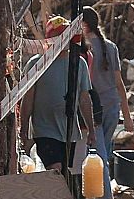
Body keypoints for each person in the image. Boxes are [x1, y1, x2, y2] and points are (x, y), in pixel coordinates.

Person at [19, 15, 93, 175]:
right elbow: (28, 99)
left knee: (64, 172)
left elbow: (84, 99)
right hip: (44, 130)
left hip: (69, 131)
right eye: (59, 36)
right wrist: (24, 128)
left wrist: (92, 130)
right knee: (55, 169)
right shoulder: (36, 64)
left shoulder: (79, 64)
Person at [81, 7, 134, 199]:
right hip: (112, 103)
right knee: (104, 151)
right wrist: (127, 114)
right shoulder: (110, 47)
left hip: (94, 107)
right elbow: (119, 83)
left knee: (97, 153)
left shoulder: (81, 47)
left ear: (84, 25)